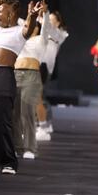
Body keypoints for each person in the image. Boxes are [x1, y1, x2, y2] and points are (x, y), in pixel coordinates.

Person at [0, 0, 43, 174]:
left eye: (1, 11)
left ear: (11, 14)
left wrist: (31, 15)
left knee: (2, 120)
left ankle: (8, 162)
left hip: (4, 75)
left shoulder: (18, 31)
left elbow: (28, 28)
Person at [12, 0, 50, 160]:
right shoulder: (21, 37)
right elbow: (22, 22)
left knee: (27, 112)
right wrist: (29, 12)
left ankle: (30, 148)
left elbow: (45, 27)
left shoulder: (41, 39)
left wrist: (45, 14)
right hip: (13, 74)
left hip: (31, 75)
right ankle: (17, 147)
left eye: (34, 24)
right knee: (14, 114)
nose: (30, 26)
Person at [35, 10, 69, 140]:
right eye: (48, 19)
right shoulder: (46, 30)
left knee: (39, 94)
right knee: (41, 94)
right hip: (39, 63)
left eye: (52, 19)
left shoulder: (61, 34)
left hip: (46, 65)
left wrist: (43, 16)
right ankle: (46, 122)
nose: (49, 21)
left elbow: (47, 27)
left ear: (58, 22)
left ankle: (43, 124)